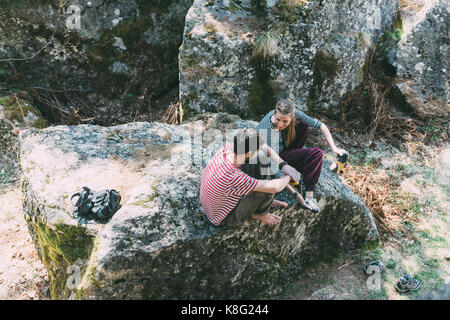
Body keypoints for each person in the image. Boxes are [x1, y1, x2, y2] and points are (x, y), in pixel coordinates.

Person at [256, 99, 348, 213]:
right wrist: (286, 176)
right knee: (317, 153)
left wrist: (334, 148)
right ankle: (309, 197)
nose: (280, 124)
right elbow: (268, 160)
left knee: (304, 124)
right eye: (278, 119)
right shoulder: (266, 128)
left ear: (291, 116)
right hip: (275, 158)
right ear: (274, 113)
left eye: (285, 121)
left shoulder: (295, 114)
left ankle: (301, 161)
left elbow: (320, 125)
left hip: (285, 149)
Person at [199, 128, 304, 227]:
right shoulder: (234, 177)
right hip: (224, 217)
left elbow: (264, 147)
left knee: (261, 158)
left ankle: (259, 204)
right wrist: (287, 177)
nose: (259, 150)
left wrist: (283, 165)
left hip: (210, 204)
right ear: (248, 153)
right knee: (266, 189)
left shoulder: (227, 149)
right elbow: (274, 187)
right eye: (256, 150)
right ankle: (260, 212)